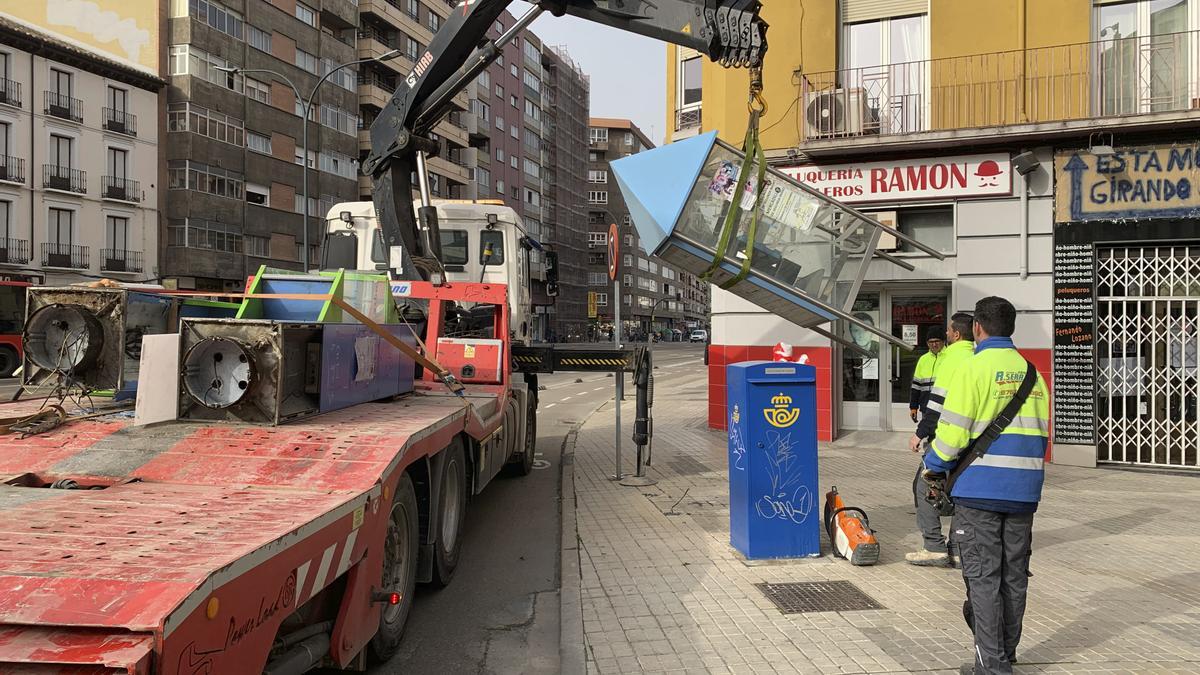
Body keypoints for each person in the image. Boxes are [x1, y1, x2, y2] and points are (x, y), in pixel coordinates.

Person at [922, 297, 1050, 675]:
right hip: (1024, 491)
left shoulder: (973, 369)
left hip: (980, 490)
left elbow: (952, 433)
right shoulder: (1032, 373)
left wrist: (933, 466)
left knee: (982, 578)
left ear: (977, 327)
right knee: (1014, 575)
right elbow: (1042, 434)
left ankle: (992, 668)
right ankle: (1005, 656)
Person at [905, 314, 973, 566]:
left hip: (947, 439)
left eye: (947, 331)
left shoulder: (951, 358)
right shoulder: (977, 356)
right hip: (974, 443)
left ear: (956, 334)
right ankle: (957, 548)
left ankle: (933, 546)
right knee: (959, 491)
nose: (944, 336)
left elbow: (937, 405)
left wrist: (920, 433)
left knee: (924, 486)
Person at [909, 328, 946, 422]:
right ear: (927, 343)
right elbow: (916, 386)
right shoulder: (923, 359)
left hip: (945, 407)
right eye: (931, 342)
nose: (934, 344)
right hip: (926, 407)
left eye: (937, 341)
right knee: (929, 434)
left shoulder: (950, 356)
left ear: (943, 341)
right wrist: (913, 407)